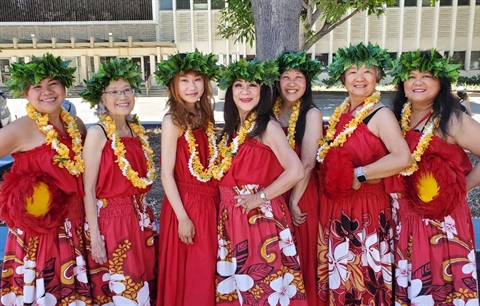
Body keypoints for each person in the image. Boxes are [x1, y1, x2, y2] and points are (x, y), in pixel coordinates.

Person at [315, 42, 412, 305]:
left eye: (367, 72)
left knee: (363, 275)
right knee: (340, 274)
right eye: (352, 72)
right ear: (342, 78)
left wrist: (359, 173)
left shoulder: (381, 115)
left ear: (377, 77)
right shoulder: (342, 113)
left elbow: (403, 157)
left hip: (365, 209)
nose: (359, 78)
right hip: (336, 206)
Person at [0, 53, 92, 304]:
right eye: (37, 86)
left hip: (78, 224)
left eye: (53, 83)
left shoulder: (75, 124)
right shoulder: (22, 129)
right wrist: (11, 195)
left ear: (64, 87)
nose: (46, 92)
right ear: (25, 94)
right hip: (40, 233)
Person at [390, 49, 480, 304]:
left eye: (426, 76)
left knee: (440, 286)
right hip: (403, 219)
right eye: (411, 76)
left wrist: (461, 188)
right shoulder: (399, 118)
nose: (417, 82)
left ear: (441, 82)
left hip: (442, 221)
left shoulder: (452, 120)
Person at [214, 58, 307, 305]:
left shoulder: (267, 127)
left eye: (252, 85)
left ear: (263, 90)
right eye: (238, 85)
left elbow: (296, 170)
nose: (245, 91)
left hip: (258, 219)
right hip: (231, 219)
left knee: (262, 289)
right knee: (238, 290)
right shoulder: (233, 128)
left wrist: (260, 197)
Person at [80, 58, 157, 305]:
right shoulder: (97, 133)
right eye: (114, 92)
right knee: (125, 291)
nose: (122, 96)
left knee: (144, 288)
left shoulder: (136, 131)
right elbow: (88, 190)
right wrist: (96, 239)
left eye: (126, 90)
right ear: (102, 99)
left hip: (141, 218)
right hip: (113, 222)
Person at [154, 50, 220, 306]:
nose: (192, 87)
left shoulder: (205, 116)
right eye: (184, 80)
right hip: (186, 204)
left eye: (197, 79)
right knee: (192, 272)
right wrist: (182, 217)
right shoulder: (172, 120)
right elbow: (166, 174)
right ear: (174, 85)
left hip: (210, 203)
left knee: (207, 269)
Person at [273, 51, 323, 306]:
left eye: (299, 77)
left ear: (307, 82)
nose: (292, 83)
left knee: (300, 254)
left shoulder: (311, 114)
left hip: (300, 194)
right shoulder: (269, 111)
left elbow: (307, 162)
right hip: (274, 192)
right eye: (286, 77)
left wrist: (293, 200)